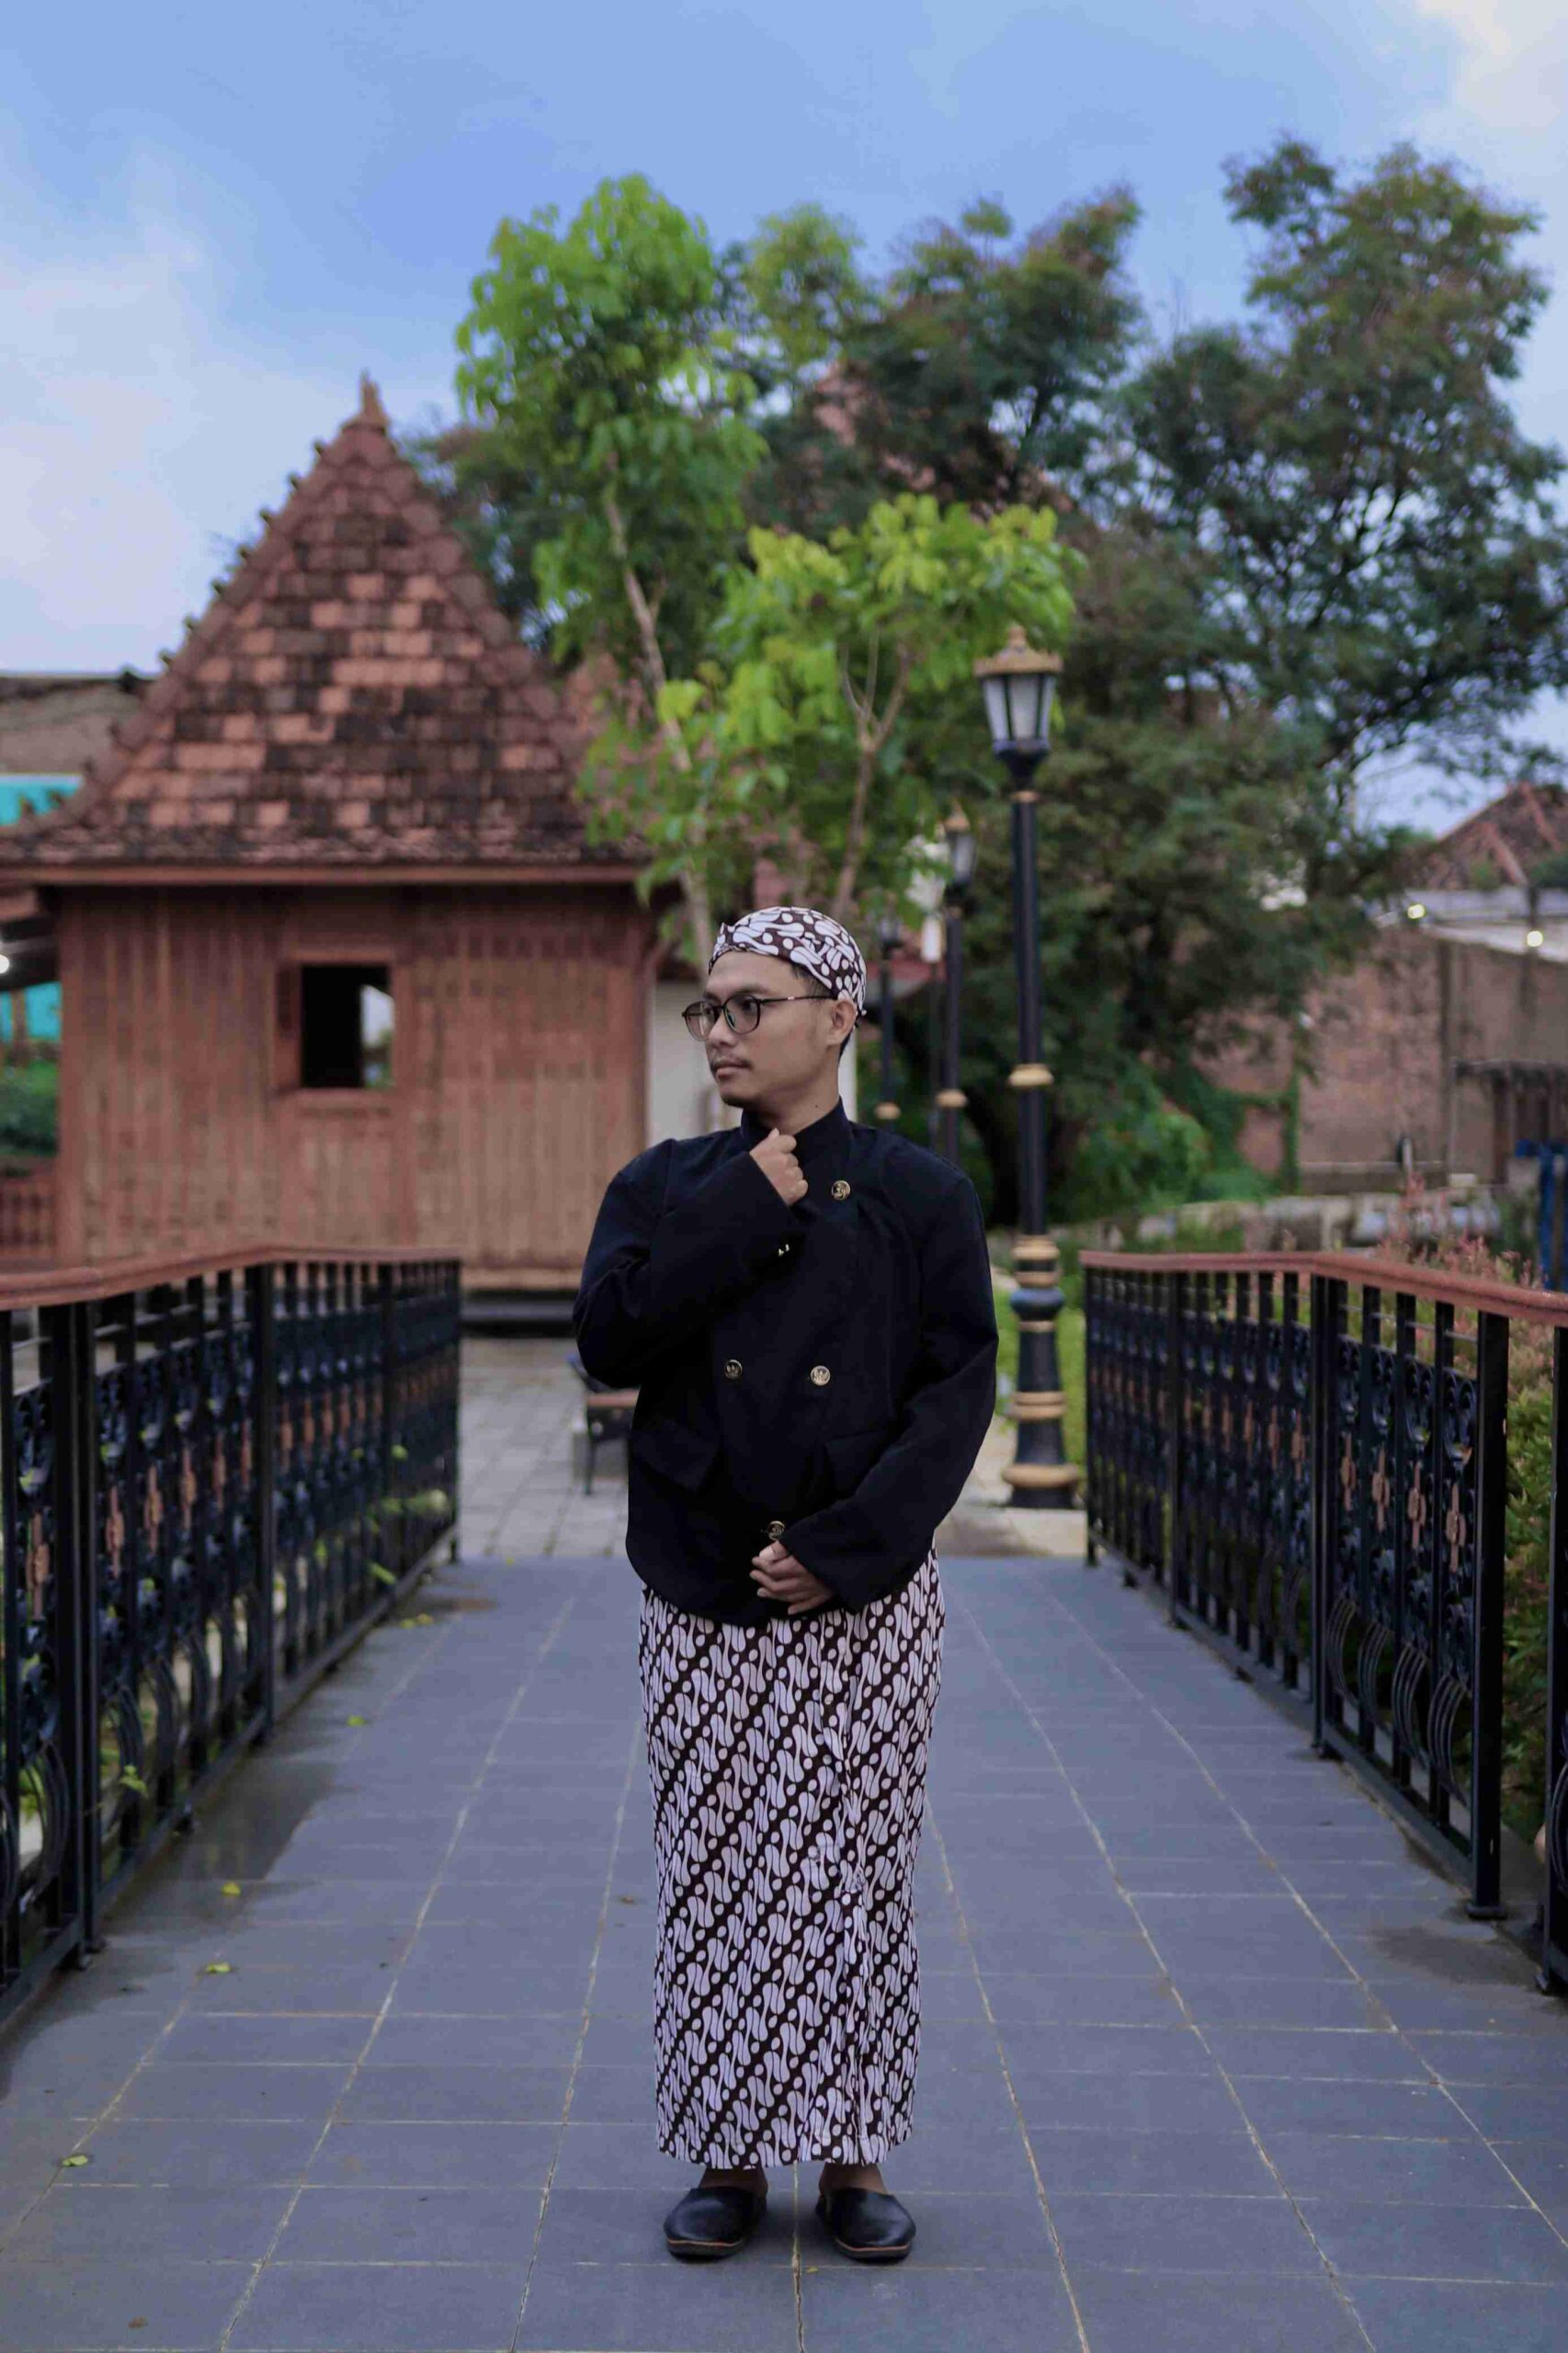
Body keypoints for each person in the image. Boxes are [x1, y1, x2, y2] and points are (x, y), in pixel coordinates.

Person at [572, 904, 997, 2265]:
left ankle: (856, 2157)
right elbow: (609, 1342)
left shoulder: (922, 1195)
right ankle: (730, 2153)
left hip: (861, 1594)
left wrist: (847, 1548)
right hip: (703, 1581)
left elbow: (955, 1393)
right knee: (717, 1874)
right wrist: (745, 1206)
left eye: (752, 1006)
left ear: (837, 1018)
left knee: (855, 1869)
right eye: (711, 1007)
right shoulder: (665, 1184)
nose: (722, 1031)